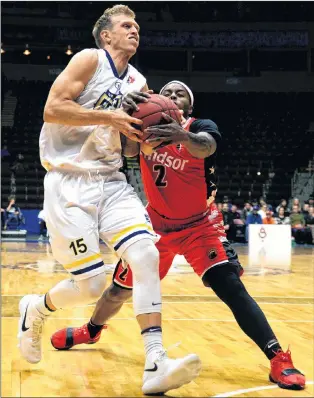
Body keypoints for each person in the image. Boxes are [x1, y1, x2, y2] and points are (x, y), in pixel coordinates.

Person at [51, 81, 305, 391]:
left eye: (179, 93)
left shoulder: (199, 126)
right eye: (167, 91)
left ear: (188, 105)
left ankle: (278, 357)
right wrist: (125, 111)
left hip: (200, 225)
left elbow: (207, 146)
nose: (172, 95)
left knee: (230, 287)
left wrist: (181, 135)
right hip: (155, 226)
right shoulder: (143, 129)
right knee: (117, 292)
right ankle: (91, 330)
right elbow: (128, 150)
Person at [17, 7, 200, 395]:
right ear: (106, 36)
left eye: (138, 26)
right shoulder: (89, 60)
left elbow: (132, 150)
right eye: (127, 26)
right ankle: (37, 307)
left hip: (112, 179)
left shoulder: (139, 80)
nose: (135, 31)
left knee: (146, 255)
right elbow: (52, 109)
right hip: (69, 181)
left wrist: (147, 129)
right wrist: (111, 116)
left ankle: (155, 362)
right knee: (90, 284)